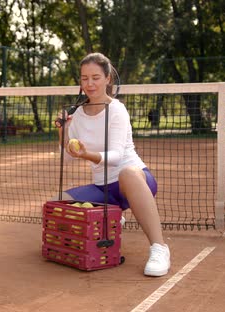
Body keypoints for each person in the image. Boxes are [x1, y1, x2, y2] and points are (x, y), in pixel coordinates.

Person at [56, 52, 170, 277]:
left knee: (127, 172)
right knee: (60, 203)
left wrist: (87, 154)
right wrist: (63, 132)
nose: (89, 83)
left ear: (108, 79)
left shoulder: (117, 110)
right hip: (103, 189)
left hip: (135, 181)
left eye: (96, 77)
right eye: (84, 78)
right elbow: (68, 157)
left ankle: (160, 248)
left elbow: (117, 156)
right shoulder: (77, 114)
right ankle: (115, 218)